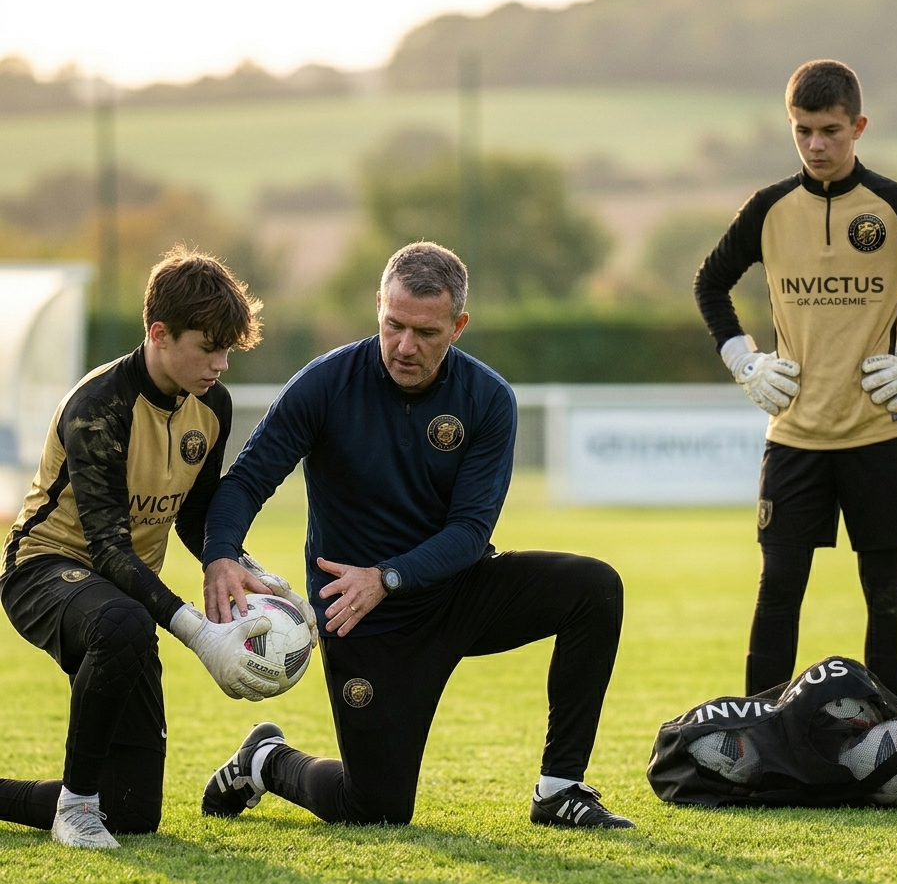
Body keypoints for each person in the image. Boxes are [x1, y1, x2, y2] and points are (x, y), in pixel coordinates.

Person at [200, 241, 632, 829]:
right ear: (378, 306)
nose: (405, 346)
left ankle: (560, 790)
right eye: (394, 325)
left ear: (458, 326)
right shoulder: (326, 384)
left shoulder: (487, 399)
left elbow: (470, 530)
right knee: (375, 808)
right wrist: (221, 555)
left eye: (426, 332)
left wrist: (388, 576)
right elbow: (247, 480)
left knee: (594, 588)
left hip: (455, 593)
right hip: (361, 615)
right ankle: (265, 760)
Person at [694, 60, 897, 700]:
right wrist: (744, 360)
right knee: (778, 590)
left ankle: (884, 735)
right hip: (795, 436)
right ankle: (760, 734)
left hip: (878, 433)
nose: (816, 145)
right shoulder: (769, 209)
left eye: (830, 130)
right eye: (802, 130)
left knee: (886, 592)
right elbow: (710, 283)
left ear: (858, 127)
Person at [0, 247, 301, 849]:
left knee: (132, 809)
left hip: (122, 591)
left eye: (227, 350)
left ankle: (82, 802)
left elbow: (194, 515)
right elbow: (108, 549)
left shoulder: (211, 405)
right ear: (159, 334)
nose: (220, 364)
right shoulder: (98, 407)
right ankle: (75, 808)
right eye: (207, 347)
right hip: (43, 569)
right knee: (125, 622)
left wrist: (239, 567)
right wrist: (199, 633)